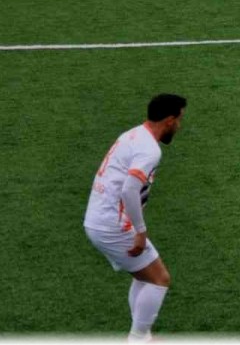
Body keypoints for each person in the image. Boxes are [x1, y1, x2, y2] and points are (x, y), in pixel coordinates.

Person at [83, 93, 187, 343]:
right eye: (180, 120)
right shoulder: (151, 150)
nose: (180, 126)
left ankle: (142, 335)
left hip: (98, 219)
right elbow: (129, 189)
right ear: (170, 120)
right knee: (159, 279)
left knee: (144, 276)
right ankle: (138, 337)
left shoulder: (132, 134)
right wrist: (140, 231)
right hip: (114, 225)